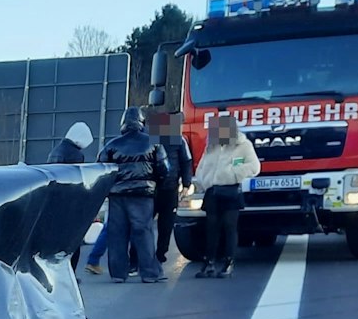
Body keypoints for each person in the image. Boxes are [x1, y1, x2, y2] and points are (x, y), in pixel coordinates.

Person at [96, 111, 170, 284]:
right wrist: (155, 184)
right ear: (141, 122)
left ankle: (118, 273)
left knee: (117, 234)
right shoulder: (153, 143)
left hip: (117, 195)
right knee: (143, 232)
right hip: (143, 195)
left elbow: (100, 169)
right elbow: (164, 169)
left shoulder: (112, 145)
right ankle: (150, 273)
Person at [191, 113, 260, 278]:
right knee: (211, 229)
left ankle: (228, 262)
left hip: (230, 192)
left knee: (229, 228)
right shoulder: (212, 146)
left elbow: (254, 166)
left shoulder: (243, 145)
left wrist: (233, 174)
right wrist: (201, 181)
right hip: (212, 192)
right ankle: (209, 262)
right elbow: (202, 166)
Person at [150, 112, 195, 264]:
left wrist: (187, 183)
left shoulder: (152, 139)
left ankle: (141, 256)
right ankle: (160, 254)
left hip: (153, 187)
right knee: (166, 224)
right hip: (169, 187)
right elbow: (186, 162)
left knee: (145, 224)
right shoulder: (178, 140)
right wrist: (186, 184)